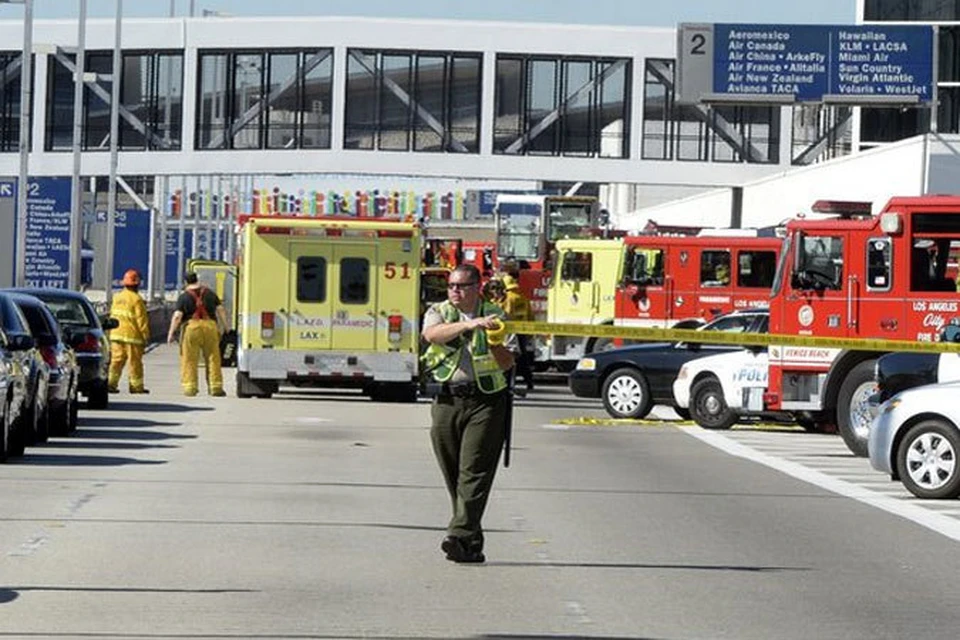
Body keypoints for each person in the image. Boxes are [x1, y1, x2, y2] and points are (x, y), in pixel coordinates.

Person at [421, 264, 516, 564]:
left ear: (478, 287)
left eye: (461, 286)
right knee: (454, 474)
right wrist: (468, 325)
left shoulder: (496, 317)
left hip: (485, 401)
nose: (454, 291)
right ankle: (470, 542)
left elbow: (507, 362)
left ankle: (458, 533)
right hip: (447, 400)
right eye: (451, 285)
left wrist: (494, 340)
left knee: (473, 472)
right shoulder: (439, 311)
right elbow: (431, 335)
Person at [166, 272, 229, 397]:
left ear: (186, 282)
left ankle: (190, 388)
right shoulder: (210, 293)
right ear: (197, 280)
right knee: (213, 358)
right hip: (210, 327)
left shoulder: (183, 297)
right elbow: (220, 309)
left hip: (192, 328)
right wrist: (226, 327)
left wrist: (171, 333)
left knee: (189, 359)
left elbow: (178, 316)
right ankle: (215, 387)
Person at [107, 269, 150, 394]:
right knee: (134, 363)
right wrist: (146, 335)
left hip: (116, 334)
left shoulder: (117, 297)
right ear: (137, 284)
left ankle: (111, 384)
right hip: (132, 337)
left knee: (116, 362)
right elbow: (141, 320)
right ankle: (136, 387)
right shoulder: (137, 299)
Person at [500, 273, 535, 392]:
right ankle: (529, 380)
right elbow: (530, 315)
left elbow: (505, 314)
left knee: (510, 357)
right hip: (523, 330)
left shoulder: (508, 298)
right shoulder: (523, 297)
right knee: (522, 357)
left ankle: (509, 381)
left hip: (510, 331)